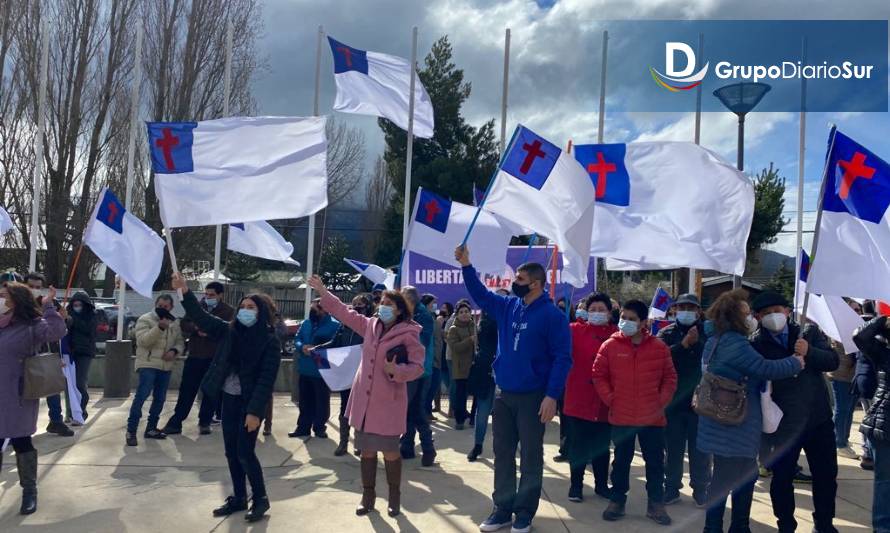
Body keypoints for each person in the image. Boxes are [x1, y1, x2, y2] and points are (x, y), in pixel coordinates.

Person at [455, 245, 571, 533]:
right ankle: (502, 509)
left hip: (534, 397)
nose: (513, 284)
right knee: (503, 453)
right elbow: (480, 295)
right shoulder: (509, 307)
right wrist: (467, 265)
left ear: (535, 284)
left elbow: (562, 358)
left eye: (518, 280)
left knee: (530, 455)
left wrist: (552, 396)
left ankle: (524, 513)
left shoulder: (552, 316)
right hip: (504, 394)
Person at [307, 275, 425, 518]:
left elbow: (418, 367)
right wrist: (323, 291)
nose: (383, 307)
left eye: (390, 304)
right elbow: (344, 312)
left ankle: (394, 498)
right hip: (365, 401)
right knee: (367, 451)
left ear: (401, 309)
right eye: (382, 302)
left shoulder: (410, 333)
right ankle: (368, 496)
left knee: (391, 453)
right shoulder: (370, 325)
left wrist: (397, 371)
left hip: (389, 403)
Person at [172, 274, 281, 523]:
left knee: (245, 452)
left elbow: (266, 380)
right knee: (231, 452)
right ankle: (239, 497)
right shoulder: (229, 331)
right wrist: (185, 292)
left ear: (261, 312)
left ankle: (261, 498)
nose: (245, 311)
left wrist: (255, 413)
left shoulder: (269, 341)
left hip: (250, 404)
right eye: (242, 307)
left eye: (251, 308)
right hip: (229, 399)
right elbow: (202, 319)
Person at [696, 289, 804, 533]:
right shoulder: (735, 343)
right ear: (735, 316)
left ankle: (719, 526)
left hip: (718, 418)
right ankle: (731, 527)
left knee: (725, 477)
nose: (751, 318)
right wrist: (796, 361)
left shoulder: (714, 339)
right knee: (738, 478)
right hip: (735, 423)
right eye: (746, 313)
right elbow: (765, 368)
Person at [749, 291, 839, 533]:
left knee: (826, 477)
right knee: (781, 479)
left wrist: (809, 351)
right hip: (782, 426)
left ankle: (824, 523)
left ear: (788, 311)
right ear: (757, 317)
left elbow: (833, 362)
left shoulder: (808, 333)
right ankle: (786, 525)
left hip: (817, 421)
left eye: (778, 310)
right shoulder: (756, 343)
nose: (773, 316)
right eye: (766, 313)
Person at [593, 299, 677, 526]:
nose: (626, 322)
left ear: (643, 323)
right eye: (623, 317)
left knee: (655, 463)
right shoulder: (610, 346)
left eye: (632, 319)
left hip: (652, 417)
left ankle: (656, 504)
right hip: (622, 415)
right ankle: (618, 501)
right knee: (621, 462)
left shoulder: (659, 348)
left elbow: (670, 378)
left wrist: (660, 401)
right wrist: (611, 399)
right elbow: (598, 375)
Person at [0, 282, 66, 514]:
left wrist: (48, 308)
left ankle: (29, 491)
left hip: (17, 394)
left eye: (4, 296)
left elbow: (57, 332)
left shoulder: (32, 325)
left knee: (21, 442)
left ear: (16, 300)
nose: (0, 299)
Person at [656, 293, 711, 506]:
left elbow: (713, 356)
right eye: (682, 307)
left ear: (698, 311)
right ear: (674, 310)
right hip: (674, 403)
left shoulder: (708, 332)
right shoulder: (666, 333)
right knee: (673, 449)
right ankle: (671, 488)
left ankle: (700, 489)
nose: (687, 311)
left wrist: (697, 343)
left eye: (691, 307)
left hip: (701, 403)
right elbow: (660, 359)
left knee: (701, 451)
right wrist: (684, 344)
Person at [563, 292, 617, 502]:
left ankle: (601, 485)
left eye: (601, 309)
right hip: (579, 399)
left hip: (605, 401)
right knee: (578, 446)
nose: (596, 313)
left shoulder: (616, 334)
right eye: (592, 309)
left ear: (609, 312)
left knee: (602, 448)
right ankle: (576, 486)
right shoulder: (574, 331)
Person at [163, 281, 234, 436]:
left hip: (214, 358)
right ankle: (176, 421)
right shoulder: (198, 307)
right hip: (195, 355)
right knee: (187, 390)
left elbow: (227, 332)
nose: (208, 297)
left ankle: (205, 422)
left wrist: (210, 332)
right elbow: (185, 323)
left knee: (210, 392)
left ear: (220, 295)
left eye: (212, 295)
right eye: (206, 294)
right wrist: (196, 328)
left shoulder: (228, 311)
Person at [318, 294, 372, 456]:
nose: (356, 307)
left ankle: (360, 443)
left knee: (362, 410)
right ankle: (343, 443)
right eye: (354, 304)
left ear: (367, 306)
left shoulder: (370, 326)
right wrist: (317, 349)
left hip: (363, 374)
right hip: (346, 374)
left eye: (360, 304)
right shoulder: (344, 326)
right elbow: (334, 343)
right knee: (345, 409)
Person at [127, 294, 184, 446]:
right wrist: (159, 328)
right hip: (148, 364)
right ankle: (131, 430)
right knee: (142, 395)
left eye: (166, 306)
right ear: (155, 304)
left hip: (165, 366)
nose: (163, 309)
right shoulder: (146, 319)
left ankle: (151, 428)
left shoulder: (174, 322)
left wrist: (174, 351)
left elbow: (180, 342)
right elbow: (143, 341)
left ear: (171, 307)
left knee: (160, 398)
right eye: (160, 306)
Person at [21, 272, 73, 437]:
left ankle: (56, 421)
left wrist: (63, 318)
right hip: (23, 355)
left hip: (47, 352)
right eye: (31, 287)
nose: (34, 290)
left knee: (52, 387)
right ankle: (20, 427)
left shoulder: (49, 303)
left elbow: (60, 327)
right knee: (23, 392)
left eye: (38, 287)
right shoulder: (17, 303)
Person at [852, 313, 890, 532]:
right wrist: (882, 317)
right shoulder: (883, 354)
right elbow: (859, 336)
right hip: (884, 425)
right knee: (885, 484)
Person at [466, 289, 508, 462]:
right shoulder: (485, 319)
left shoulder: (513, 318)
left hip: (506, 373)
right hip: (486, 371)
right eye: (497, 296)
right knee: (482, 412)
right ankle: (477, 445)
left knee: (504, 416)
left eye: (504, 296)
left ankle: (504, 449)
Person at [290, 298, 339, 438]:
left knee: (321, 400)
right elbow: (297, 338)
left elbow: (335, 345)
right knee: (304, 400)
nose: (313, 311)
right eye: (312, 307)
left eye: (316, 308)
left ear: (325, 309)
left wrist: (318, 347)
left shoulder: (334, 326)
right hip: (305, 367)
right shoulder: (306, 323)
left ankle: (319, 427)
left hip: (322, 369)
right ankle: (303, 427)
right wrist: (301, 346)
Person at [399, 286, 437, 466]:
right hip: (410, 369)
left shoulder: (423, 317)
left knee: (416, 410)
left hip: (421, 370)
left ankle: (428, 448)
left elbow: (422, 342)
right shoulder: (408, 316)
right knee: (408, 409)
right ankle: (407, 446)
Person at [64, 291, 98, 424]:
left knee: (79, 383)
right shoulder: (68, 316)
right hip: (70, 353)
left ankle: (81, 411)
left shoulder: (92, 316)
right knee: (69, 385)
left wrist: (72, 318)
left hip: (84, 353)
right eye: (75, 305)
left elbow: (88, 329)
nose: (77, 307)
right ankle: (71, 413)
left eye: (80, 305)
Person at [446, 301, 477, 430]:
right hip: (460, 367)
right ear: (457, 315)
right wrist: (469, 340)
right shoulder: (453, 329)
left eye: (467, 312)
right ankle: (459, 420)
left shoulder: (474, 326)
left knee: (476, 393)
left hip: (474, 366)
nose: (464, 314)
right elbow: (455, 347)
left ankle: (473, 418)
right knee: (460, 395)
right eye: (461, 312)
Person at [828, 338, 859, 459]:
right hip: (843, 375)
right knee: (842, 409)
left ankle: (843, 439)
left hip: (850, 375)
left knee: (849, 410)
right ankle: (839, 443)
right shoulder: (842, 334)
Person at [429, 303, 455, 415]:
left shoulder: (451, 321)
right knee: (437, 384)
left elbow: (448, 336)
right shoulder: (439, 320)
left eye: (445, 307)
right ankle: (437, 406)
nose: (442, 309)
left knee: (449, 384)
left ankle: (451, 409)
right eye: (442, 307)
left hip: (447, 354)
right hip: (439, 354)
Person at [423, 293, 442, 420]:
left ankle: (427, 411)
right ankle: (425, 412)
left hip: (436, 357)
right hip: (431, 358)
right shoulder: (425, 318)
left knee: (433, 387)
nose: (434, 305)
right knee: (429, 388)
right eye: (433, 303)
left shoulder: (432, 317)